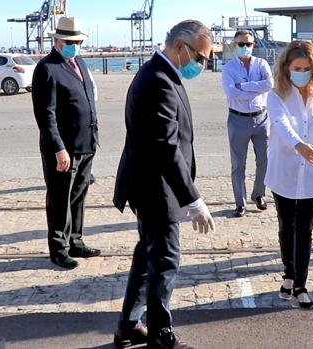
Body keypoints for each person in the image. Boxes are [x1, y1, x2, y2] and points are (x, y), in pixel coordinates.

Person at [113, 20, 215, 349]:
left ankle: (129, 325)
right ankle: (160, 333)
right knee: (165, 261)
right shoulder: (158, 80)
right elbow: (166, 147)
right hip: (156, 188)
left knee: (147, 257)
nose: (203, 64)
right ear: (180, 47)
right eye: (200, 57)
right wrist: (194, 200)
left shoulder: (161, 72)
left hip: (152, 184)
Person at [265, 40, 313, 309]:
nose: (301, 72)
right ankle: (289, 273)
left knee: (304, 230)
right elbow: (279, 124)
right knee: (286, 225)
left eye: (306, 68)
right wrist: (299, 146)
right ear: (287, 68)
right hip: (285, 171)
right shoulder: (276, 94)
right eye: (296, 68)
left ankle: (300, 284)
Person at [32, 17, 101, 270]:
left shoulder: (79, 62)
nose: (75, 45)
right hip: (63, 149)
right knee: (60, 199)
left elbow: (88, 97)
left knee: (79, 196)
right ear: (57, 40)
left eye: (78, 41)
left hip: (86, 144)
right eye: (69, 41)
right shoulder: (47, 68)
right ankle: (58, 249)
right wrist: (59, 149)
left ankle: (75, 241)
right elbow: (45, 115)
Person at [222, 30, 273, 217]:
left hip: (261, 118)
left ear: (254, 45)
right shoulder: (228, 69)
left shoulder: (262, 64)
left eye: (249, 44)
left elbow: (269, 84)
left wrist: (243, 86)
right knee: (238, 164)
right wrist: (256, 87)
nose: (245, 47)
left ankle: (259, 194)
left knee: (264, 160)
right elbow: (231, 93)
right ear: (234, 45)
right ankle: (240, 202)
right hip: (238, 119)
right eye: (241, 44)